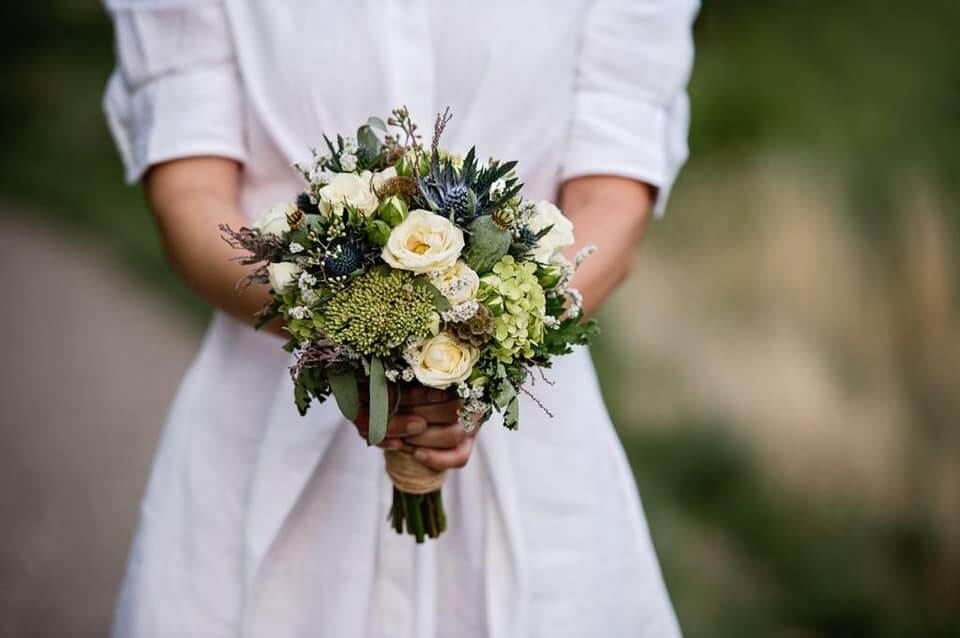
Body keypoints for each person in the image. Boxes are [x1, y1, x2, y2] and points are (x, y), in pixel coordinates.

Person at [102, 1, 698, 636]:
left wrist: (475, 344)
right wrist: (346, 325)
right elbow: (190, 197)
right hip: (262, 418)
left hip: (534, 455)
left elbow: (613, 201)